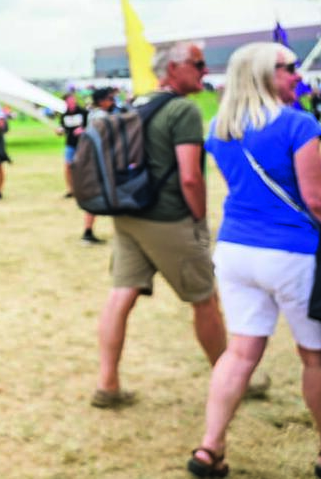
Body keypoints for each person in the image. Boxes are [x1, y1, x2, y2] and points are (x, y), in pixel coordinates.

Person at [186, 44, 321, 478]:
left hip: (237, 250)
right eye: (290, 68)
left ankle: (210, 447)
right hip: (291, 253)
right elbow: (316, 200)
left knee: (240, 353)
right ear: (263, 74)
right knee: (317, 358)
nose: (298, 75)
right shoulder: (298, 124)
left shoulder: (220, 129)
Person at [92, 42, 230, 409]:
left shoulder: (138, 102)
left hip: (128, 214)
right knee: (205, 299)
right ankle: (231, 377)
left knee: (121, 295)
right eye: (198, 63)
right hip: (168, 217)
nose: (205, 70)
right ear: (173, 68)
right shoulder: (182, 110)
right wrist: (199, 218)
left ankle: (107, 383)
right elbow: (190, 176)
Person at [60, 91, 103, 245]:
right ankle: (72, 190)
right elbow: (64, 128)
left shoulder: (86, 114)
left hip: (85, 147)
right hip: (71, 145)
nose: (71, 103)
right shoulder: (64, 114)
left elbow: (91, 130)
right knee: (68, 167)